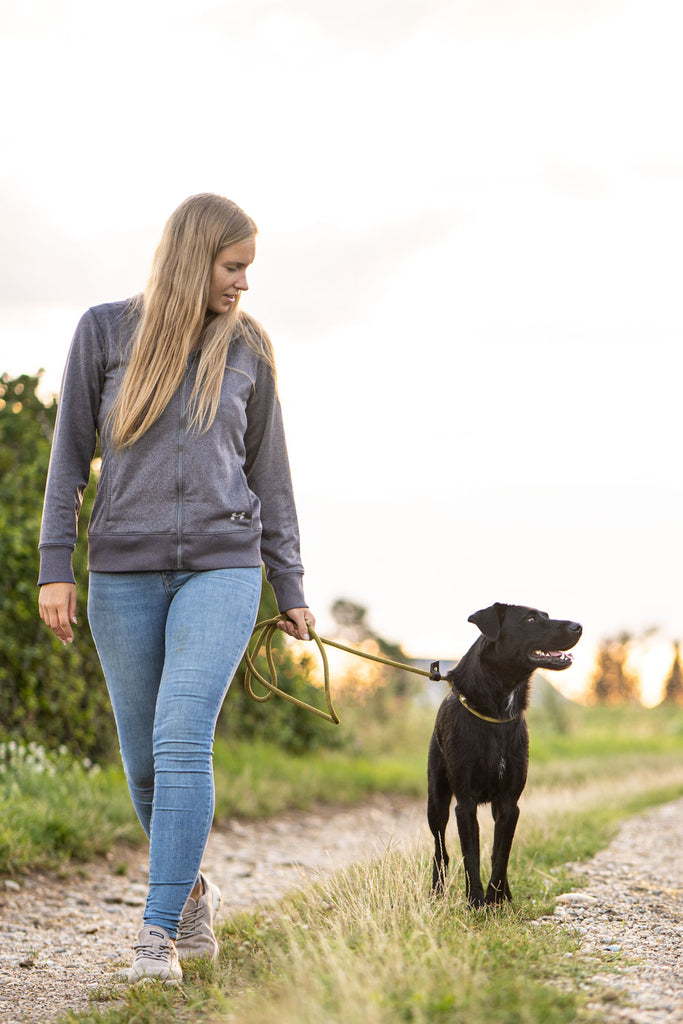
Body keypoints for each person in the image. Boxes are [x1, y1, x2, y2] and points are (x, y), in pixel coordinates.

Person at [38, 193, 315, 984]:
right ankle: (190, 894)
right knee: (143, 766)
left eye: (248, 270)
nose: (244, 285)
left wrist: (288, 581)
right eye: (234, 268)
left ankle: (155, 938)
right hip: (120, 572)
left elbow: (272, 473)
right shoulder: (104, 331)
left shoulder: (248, 346)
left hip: (224, 568)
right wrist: (54, 566)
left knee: (182, 736)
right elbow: (66, 462)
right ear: (196, 258)